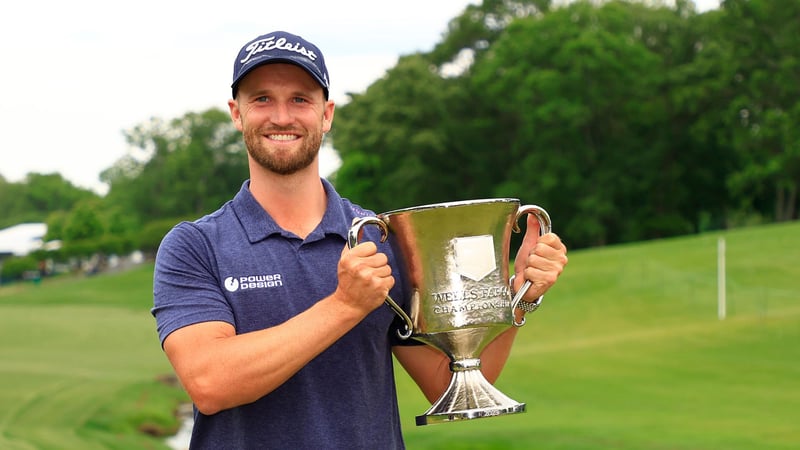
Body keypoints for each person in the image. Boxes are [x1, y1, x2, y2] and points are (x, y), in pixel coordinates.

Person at [152, 30, 568, 449]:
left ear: (326, 114)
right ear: (236, 113)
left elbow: (448, 384)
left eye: (300, 99)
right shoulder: (195, 246)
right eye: (261, 98)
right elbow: (210, 383)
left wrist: (517, 296)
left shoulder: (382, 237)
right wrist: (344, 305)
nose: (281, 116)